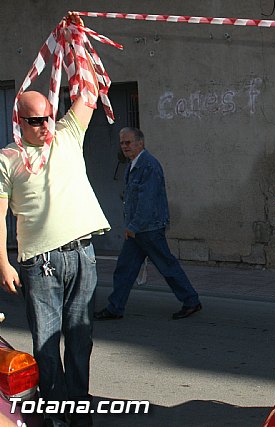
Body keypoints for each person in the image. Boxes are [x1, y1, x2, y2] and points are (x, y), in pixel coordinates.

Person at [0, 13, 110, 427]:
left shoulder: (67, 132)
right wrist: (2, 261)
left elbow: (92, 89)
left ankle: (77, 410)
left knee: (80, 340)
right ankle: (58, 414)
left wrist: (78, 41)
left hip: (83, 254)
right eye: (35, 121)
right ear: (19, 120)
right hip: (40, 263)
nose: (45, 126)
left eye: (48, 116)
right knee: (46, 344)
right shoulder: (7, 160)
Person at [95, 128, 202, 321]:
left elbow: (148, 201)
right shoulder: (133, 165)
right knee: (125, 268)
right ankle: (115, 307)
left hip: (148, 228)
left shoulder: (148, 166)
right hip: (138, 230)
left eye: (128, 142)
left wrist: (133, 227)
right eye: (122, 143)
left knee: (166, 266)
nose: (124, 146)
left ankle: (191, 301)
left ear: (140, 143)